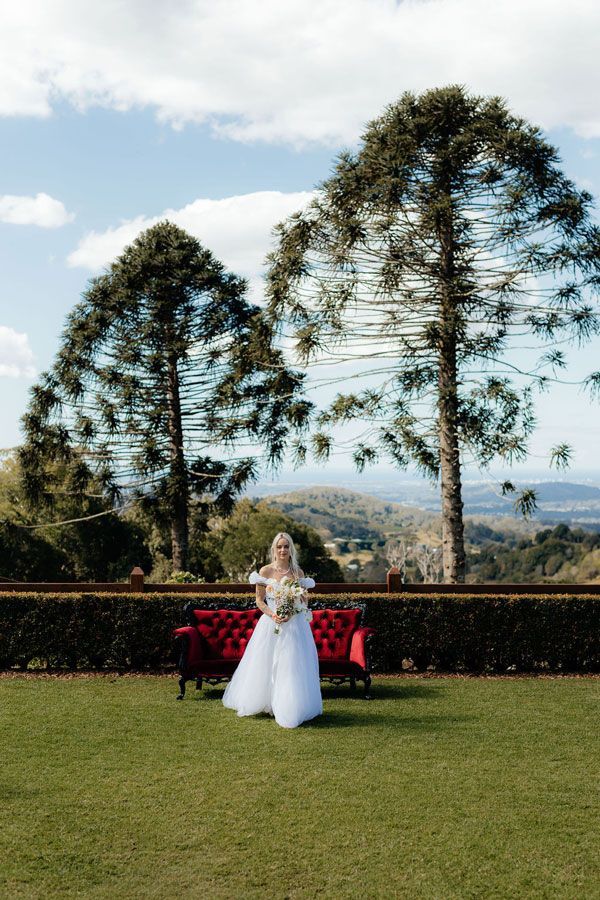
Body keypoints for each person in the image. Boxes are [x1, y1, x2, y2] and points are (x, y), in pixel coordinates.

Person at [222, 532, 323, 728]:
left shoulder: (298, 573)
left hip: (295, 625)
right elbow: (259, 600)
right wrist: (273, 614)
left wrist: (294, 609)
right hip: (271, 623)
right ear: (274, 549)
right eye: (279, 546)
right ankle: (266, 702)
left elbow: (304, 600)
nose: (283, 550)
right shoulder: (265, 571)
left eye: (286, 546)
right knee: (266, 664)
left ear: (291, 549)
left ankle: (291, 705)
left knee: (291, 666)